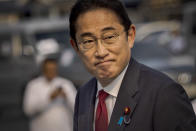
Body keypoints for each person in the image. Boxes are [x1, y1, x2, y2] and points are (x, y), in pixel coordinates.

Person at [69, 0, 196, 131]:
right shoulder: (84, 94)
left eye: (109, 37)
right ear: (76, 47)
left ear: (130, 36)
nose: (101, 52)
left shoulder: (164, 95)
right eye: (88, 41)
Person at [23, 58, 76, 131]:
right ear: (43, 70)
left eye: (53, 69)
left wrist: (67, 97)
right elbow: (28, 110)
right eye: (48, 69)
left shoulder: (66, 84)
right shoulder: (33, 85)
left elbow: (77, 108)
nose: (51, 71)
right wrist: (49, 98)